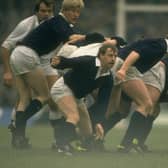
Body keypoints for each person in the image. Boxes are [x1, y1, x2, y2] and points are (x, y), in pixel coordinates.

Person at [9, 0, 85, 149]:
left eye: (78, 12)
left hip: (17, 54)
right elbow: (71, 39)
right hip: (27, 55)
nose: (77, 15)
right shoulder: (59, 22)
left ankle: (19, 139)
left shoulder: (59, 23)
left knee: (25, 98)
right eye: (74, 11)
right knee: (45, 96)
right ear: (65, 10)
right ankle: (20, 124)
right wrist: (97, 40)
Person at [50, 43, 118, 154]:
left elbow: (103, 103)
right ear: (101, 55)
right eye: (110, 55)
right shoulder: (89, 62)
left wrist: (99, 122)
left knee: (88, 131)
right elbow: (70, 62)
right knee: (73, 116)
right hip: (63, 88)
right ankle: (62, 145)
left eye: (115, 56)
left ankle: (64, 136)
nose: (113, 59)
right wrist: (59, 62)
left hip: (77, 97)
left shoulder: (108, 77)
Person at [106, 37, 168, 152]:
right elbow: (136, 53)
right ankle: (127, 144)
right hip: (126, 67)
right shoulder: (161, 45)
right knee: (146, 104)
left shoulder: (160, 46)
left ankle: (93, 139)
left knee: (115, 109)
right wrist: (123, 69)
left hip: (125, 67)